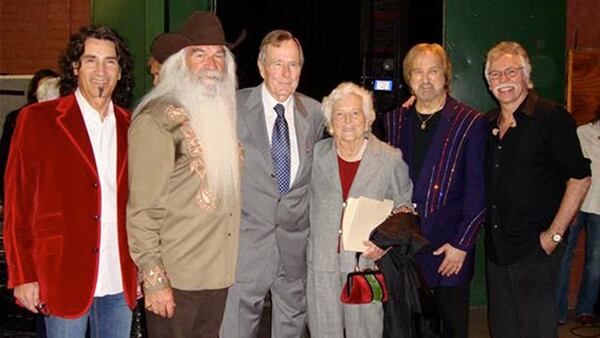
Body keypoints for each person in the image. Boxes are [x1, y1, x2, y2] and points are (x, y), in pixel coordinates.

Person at [3, 25, 137, 338]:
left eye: (110, 62)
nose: (101, 71)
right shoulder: (38, 120)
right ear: (75, 67)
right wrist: (22, 275)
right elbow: (18, 204)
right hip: (60, 275)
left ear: (120, 71)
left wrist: (143, 269)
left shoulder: (132, 125)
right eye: (91, 60)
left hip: (120, 278)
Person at [127, 11, 243, 338]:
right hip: (175, 279)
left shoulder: (221, 115)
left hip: (217, 276)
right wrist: (154, 279)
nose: (212, 63)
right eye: (200, 54)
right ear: (181, 62)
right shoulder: (157, 120)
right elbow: (142, 210)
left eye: (219, 55)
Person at [220, 30, 325, 338]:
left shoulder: (316, 113)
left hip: (294, 251)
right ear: (261, 65)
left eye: (293, 65)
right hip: (246, 250)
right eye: (278, 64)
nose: (286, 73)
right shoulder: (233, 107)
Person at [484, 41, 591, 338]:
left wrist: (554, 236)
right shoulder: (488, 122)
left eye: (511, 72)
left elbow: (580, 178)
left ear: (527, 77)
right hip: (498, 249)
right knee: (503, 329)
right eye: (494, 74)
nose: (502, 79)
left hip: (535, 249)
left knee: (535, 329)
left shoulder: (551, 118)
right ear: (487, 81)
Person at [383, 43, 487, 338]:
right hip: (403, 250)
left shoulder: (471, 123)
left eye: (433, 71)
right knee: (405, 328)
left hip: (448, 250)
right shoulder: (393, 121)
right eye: (418, 71)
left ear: (446, 76)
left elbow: (478, 192)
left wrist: (462, 245)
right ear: (408, 77)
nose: (425, 79)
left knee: (450, 328)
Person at [306, 82, 413, 337]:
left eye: (355, 113)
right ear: (330, 122)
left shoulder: (389, 158)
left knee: (365, 333)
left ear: (368, 118)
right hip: (321, 265)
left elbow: (404, 209)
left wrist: (384, 244)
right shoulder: (316, 155)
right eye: (339, 114)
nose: (348, 121)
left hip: (365, 265)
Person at [556, 107, 600, 326]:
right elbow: (569, 169)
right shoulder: (583, 133)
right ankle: (557, 311)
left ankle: (585, 309)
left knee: (596, 262)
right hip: (577, 204)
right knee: (563, 257)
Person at [0, 68, 59, 205]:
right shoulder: (19, 118)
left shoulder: (68, 121)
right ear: (35, 93)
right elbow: (6, 157)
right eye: (44, 88)